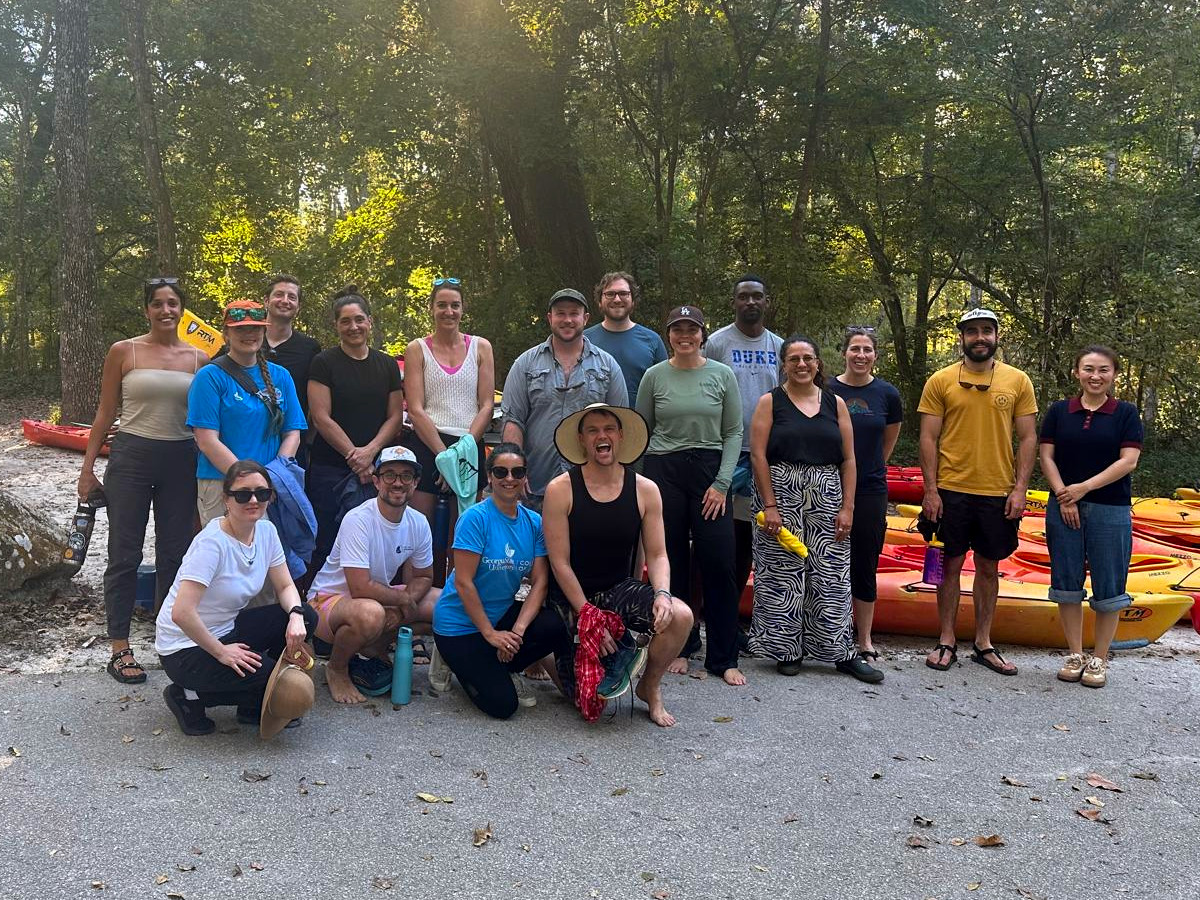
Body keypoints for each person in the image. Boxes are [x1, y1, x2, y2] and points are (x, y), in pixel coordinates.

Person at [78, 277, 209, 684]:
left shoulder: (198, 358)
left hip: (181, 458)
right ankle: (119, 647)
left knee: (175, 553)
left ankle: (167, 638)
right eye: (158, 304)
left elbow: (207, 419)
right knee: (124, 554)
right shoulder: (125, 351)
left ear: (182, 310)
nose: (166, 310)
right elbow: (104, 412)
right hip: (132, 457)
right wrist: (86, 469)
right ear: (147, 310)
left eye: (173, 303)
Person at [543, 404, 694, 726]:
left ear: (621, 436)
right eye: (593, 430)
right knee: (586, 700)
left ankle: (649, 686)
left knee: (680, 615)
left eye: (609, 429)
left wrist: (663, 594)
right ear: (582, 440)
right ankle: (547, 658)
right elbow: (559, 562)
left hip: (617, 589)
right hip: (570, 596)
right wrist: (588, 615)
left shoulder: (645, 489)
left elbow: (657, 554)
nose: (602, 436)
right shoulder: (561, 489)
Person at [749, 336, 882, 683]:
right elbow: (759, 455)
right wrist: (770, 505)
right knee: (782, 572)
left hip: (827, 493)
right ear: (783, 364)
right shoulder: (770, 402)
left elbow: (850, 458)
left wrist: (848, 507)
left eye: (808, 358)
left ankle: (839, 651)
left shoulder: (835, 403)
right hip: (781, 492)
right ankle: (786, 648)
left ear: (819, 363)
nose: (802, 364)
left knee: (832, 573)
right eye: (793, 359)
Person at [155, 460, 317, 735]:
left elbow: (286, 586)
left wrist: (296, 617)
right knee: (272, 680)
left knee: (308, 616)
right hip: (184, 647)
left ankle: (253, 698)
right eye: (243, 494)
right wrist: (222, 652)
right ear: (226, 499)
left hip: (226, 627)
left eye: (262, 493)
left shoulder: (266, 531)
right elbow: (181, 612)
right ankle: (188, 695)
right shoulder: (212, 544)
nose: (253, 500)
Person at [918, 308, 1038, 675]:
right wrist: (930, 490)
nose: (980, 337)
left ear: (997, 336)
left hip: (997, 491)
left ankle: (984, 643)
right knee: (948, 565)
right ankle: (946, 639)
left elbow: (1028, 437)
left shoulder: (1017, 381)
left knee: (988, 567)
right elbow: (927, 437)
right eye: (973, 332)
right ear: (962, 338)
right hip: (950, 489)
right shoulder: (941, 380)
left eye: (987, 330)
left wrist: (1020, 488)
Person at [636, 306, 744, 684]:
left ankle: (723, 656)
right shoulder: (654, 376)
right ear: (669, 335)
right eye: (677, 329)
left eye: (692, 330)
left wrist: (722, 483)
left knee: (718, 561)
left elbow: (733, 432)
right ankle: (681, 646)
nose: (685, 335)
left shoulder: (721, 375)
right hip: (664, 470)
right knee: (673, 559)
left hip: (710, 472)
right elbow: (640, 431)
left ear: (702, 334)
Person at [432, 444, 572, 719]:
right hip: (460, 626)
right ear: (490, 477)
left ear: (525, 478)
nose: (509, 478)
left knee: (554, 625)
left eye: (517, 472)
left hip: (500, 616)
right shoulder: (475, 518)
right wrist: (490, 634)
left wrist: (517, 633)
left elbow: (540, 581)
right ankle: (454, 661)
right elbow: (463, 583)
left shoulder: (533, 522)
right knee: (503, 706)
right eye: (501, 471)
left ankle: (502, 666)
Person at [1039, 345, 1142, 688]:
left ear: (1113, 374)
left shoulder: (1125, 413)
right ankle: (1074, 653)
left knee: (1109, 585)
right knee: (1066, 581)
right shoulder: (1059, 411)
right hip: (1062, 505)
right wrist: (1063, 495)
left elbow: (1127, 461)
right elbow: (1047, 457)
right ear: (1076, 372)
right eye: (1088, 369)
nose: (1095, 376)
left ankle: (1099, 658)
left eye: (1103, 370)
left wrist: (1083, 488)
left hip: (1109, 509)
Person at [307, 446, 436, 704]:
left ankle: (373, 646)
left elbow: (423, 576)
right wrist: (401, 602)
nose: (397, 483)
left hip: (374, 599)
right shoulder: (359, 518)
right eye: (389, 475)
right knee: (371, 614)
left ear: (415, 483)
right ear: (376, 481)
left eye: (406, 476)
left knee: (443, 605)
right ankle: (337, 668)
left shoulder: (419, 521)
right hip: (326, 602)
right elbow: (359, 587)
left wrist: (401, 607)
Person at [306, 286, 405, 575]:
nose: (354, 327)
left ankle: (380, 606)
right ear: (336, 325)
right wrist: (354, 456)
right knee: (327, 541)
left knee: (380, 540)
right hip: (331, 471)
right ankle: (320, 608)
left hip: (379, 470)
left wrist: (370, 453)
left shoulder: (386, 364)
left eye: (359, 319)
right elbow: (321, 417)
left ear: (370, 322)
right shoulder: (324, 363)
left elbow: (395, 416)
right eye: (346, 321)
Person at [401, 277, 495, 580]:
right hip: (430, 443)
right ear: (431, 308)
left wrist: (461, 452)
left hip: (468, 442)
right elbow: (415, 407)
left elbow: (486, 405)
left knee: (464, 528)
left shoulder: (481, 347)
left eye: (455, 305)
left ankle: (458, 597)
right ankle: (418, 600)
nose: (449, 311)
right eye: (442, 305)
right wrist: (445, 458)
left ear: (463, 309)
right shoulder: (417, 349)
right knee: (420, 528)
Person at [501, 288, 628, 509]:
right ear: (550, 318)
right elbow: (513, 421)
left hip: (592, 487)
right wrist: (514, 473)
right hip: (535, 487)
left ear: (585, 318)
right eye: (560, 313)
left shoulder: (607, 366)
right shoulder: (525, 364)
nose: (567, 320)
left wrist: (614, 481)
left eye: (574, 313)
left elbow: (619, 427)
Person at [703, 274, 785, 613]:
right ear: (734, 301)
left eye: (757, 296)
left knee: (757, 541)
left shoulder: (779, 347)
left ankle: (737, 614)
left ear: (766, 301)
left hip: (766, 455)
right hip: (726, 455)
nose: (750, 302)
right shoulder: (718, 343)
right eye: (743, 297)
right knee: (724, 538)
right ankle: (707, 611)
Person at [187, 300, 306, 525]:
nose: (248, 333)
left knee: (266, 555)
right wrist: (245, 480)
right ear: (226, 334)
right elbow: (206, 440)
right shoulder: (209, 377)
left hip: (269, 487)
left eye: (255, 328)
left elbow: (293, 432)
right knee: (225, 555)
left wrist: (275, 476)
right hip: (222, 483)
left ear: (264, 331)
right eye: (240, 328)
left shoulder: (281, 376)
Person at [827, 326, 903, 661]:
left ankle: (865, 638)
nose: (861, 355)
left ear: (875, 355)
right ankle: (824, 631)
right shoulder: (826, 390)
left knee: (865, 560)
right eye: (855, 349)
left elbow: (887, 441)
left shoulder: (887, 394)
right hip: (828, 485)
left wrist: (867, 469)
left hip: (871, 487)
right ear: (844, 352)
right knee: (826, 561)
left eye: (867, 350)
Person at [583, 271, 667, 405]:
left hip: (640, 424)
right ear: (599, 301)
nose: (617, 299)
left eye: (623, 294)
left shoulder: (652, 340)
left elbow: (664, 390)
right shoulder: (584, 340)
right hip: (593, 424)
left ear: (633, 301)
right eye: (610, 294)